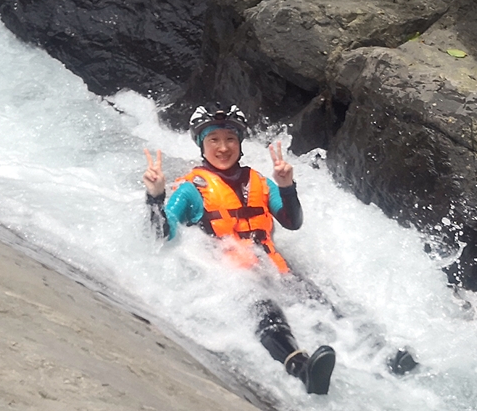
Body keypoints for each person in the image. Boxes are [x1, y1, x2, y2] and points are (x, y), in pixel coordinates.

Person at [143, 106, 338, 395]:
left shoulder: (260, 182)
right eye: (214, 140)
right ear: (202, 145)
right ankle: (302, 369)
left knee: (323, 304)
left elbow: (292, 221)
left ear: (240, 142)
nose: (223, 148)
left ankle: (386, 359)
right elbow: (162, 236)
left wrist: (287, 187)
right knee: (268, 314)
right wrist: (155, 197)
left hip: (273, 267)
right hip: (231, 277)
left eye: (230, 139)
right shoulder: (190, 189)